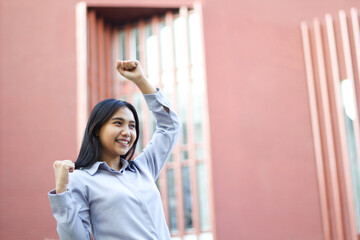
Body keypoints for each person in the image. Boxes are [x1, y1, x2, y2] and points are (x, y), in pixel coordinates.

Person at [48, 60, 181, 240]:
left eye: (132, 126)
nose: (127, 132)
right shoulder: (81, 179)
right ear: (97, 129)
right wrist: (62, 190)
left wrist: (141, 80)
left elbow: (170, 126)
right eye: (118, 123)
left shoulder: (143, 168)